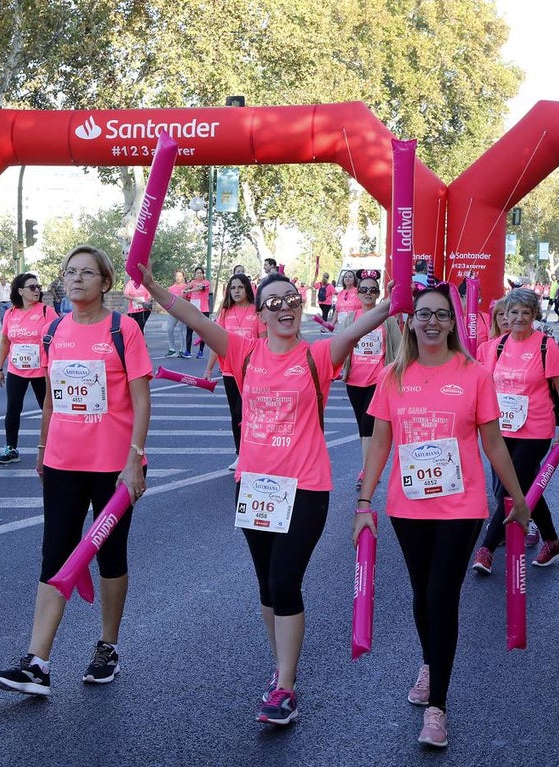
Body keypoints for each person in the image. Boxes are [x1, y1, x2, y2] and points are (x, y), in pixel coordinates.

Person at [138, 265, 393, 726]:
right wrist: (155, 287)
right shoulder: (243, 352)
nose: (285, 309)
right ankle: (281, 670)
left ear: (302, 306)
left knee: (284, 581)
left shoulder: (318, 355)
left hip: (306, 488)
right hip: (256, 489)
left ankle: (286, 687)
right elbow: (195, 321)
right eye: (273, 303)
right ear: (259, 315)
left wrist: (393, 302)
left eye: (292, 300)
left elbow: (360, 325)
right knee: (265, 587)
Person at [353, 286, 531, 748]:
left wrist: (517, 499)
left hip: (461, 505)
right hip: (408, 507)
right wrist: (364, 503)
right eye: (423, 315)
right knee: (420, 592)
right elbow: (379, 444)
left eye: (440, 315)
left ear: (453, 324)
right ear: (411, 323)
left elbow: (494, 443)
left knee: (441, 594)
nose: (431, 321)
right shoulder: (393, 376)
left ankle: (438, 708)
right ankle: (431, 663)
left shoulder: (474, 375)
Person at [0, 244, 152, 697]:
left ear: (105, 282)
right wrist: (42, 450)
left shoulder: (123, 330)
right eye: (70, 271)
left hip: (112, 467)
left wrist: (134, 458)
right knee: (54, 554)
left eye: (87, 272)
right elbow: (50, 399)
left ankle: (107, 646)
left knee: (111, 555)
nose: (77, 278)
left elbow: (141, 400)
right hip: (62, 461)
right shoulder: (55, 330)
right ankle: (38, 661)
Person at [473, 287, 559, 573]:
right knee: (525, 485)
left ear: (534, 316)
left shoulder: (545, 345)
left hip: (536, 429)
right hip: (502, 427)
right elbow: (482, 385)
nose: (518, 318)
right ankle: (552, 541)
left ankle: (486, 548)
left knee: (509, 483)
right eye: (512, 312)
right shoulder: (495, 346)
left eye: (524, 313)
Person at [342, 274, 401, 489]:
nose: (368, 293)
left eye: (373, 290)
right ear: (357, 293)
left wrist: (395, 374)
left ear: (378, 294)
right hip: (354, 381)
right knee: (363, 427)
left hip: (378, 380)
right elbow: (341, 342)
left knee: (368, 425)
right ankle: (368, 469)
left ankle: (367, 473)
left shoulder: (388, 319)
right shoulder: (351, 318)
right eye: (364, 290)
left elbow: (399, 347)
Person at [0, 273, 57, 465]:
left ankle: (55, 447)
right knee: (13, 409)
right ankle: (11, 448)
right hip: (16, 370)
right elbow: (5, 341)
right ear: (20, 291)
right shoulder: (10, 314)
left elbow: (58, 339)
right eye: (32, 287)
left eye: (38, 287)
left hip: (41, 371)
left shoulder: (47, 312)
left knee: (47, 409)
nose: (37, 290)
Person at [204, 273, 262, 471]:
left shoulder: (257, 311)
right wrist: (209, 368)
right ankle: (241, 454)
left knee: (246, 412)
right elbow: (216, 342)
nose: (236, 291)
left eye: (240, 287)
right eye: (233, 288)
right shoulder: (225, 312)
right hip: (229, 370)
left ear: (248, 289)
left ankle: (254, 453)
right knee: (235, 414)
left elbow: (264, 341)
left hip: (253, 371)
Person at [182, 266, 211, 359]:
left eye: (200, 273)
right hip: (193, 310)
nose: (199, 274)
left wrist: (188, 290)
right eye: (197, 273)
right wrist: (185, 289)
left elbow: (199, 288)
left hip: (203, 311)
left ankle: (201, 351)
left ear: (203, 274)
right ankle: (188, 351)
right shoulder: (193, 283)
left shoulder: (206, 283)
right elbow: (184, 289)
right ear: (195, 274)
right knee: (189, 330)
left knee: (203, 332)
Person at [165, 270, 188, 357]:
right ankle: (172, 349)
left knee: (181, 331)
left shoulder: (186, 287)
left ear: (183, 277)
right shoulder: (171, 288)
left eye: (180, 276)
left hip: (182, 311)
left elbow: (188, 299)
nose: (178, 278)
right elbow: (168, 299)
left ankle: (183, 350)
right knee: (169, 329)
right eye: (177, 276)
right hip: (172, 311)